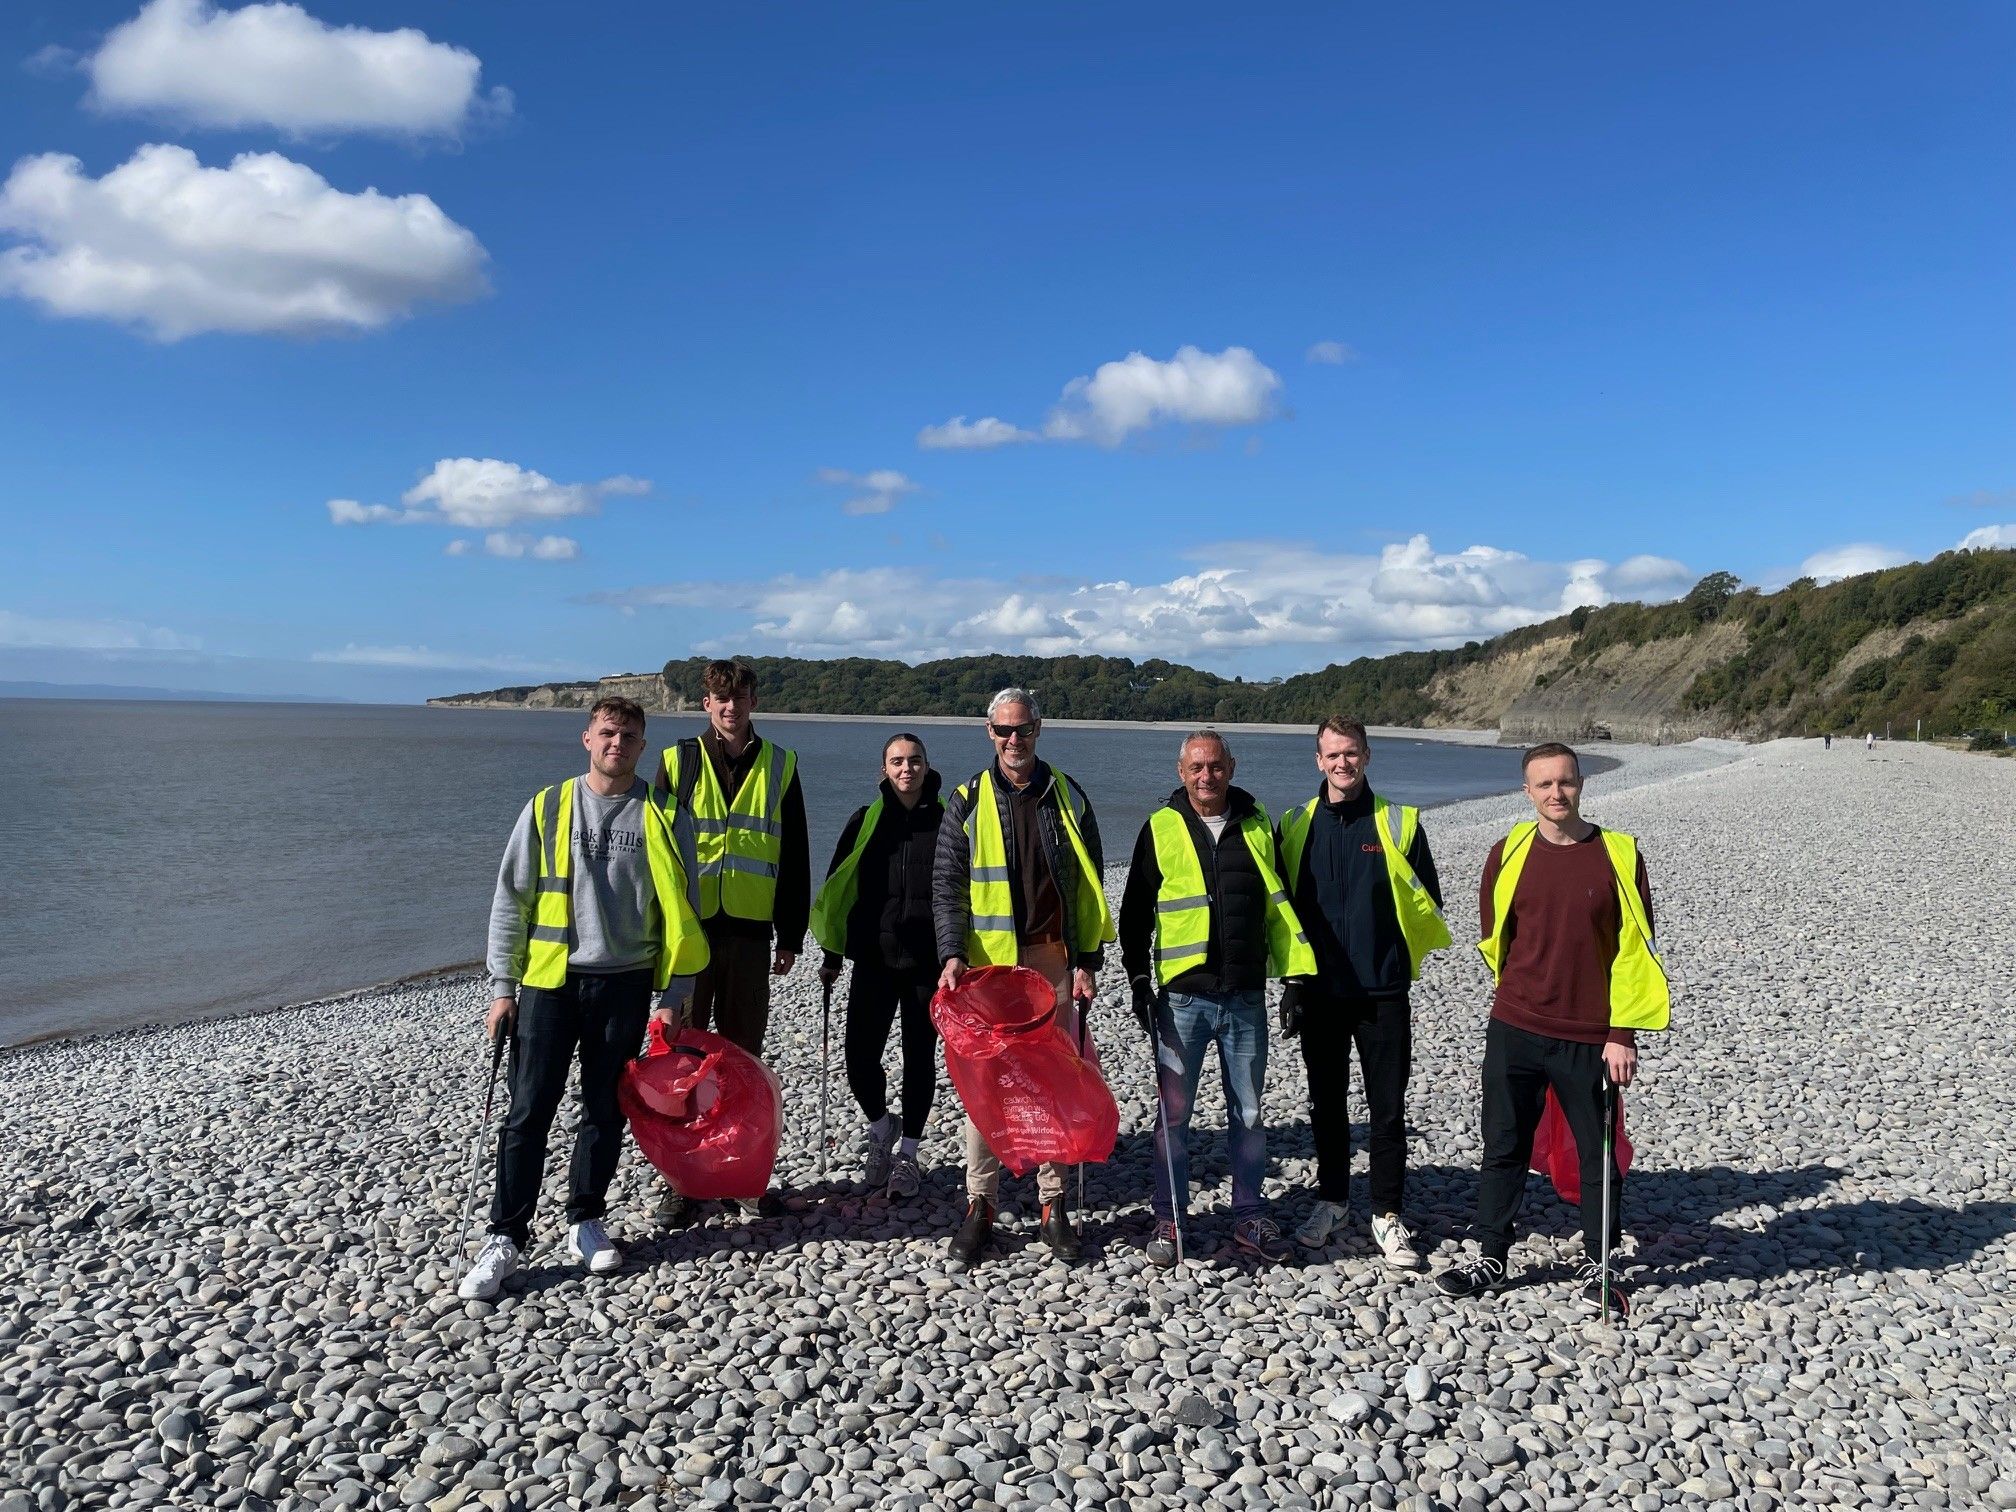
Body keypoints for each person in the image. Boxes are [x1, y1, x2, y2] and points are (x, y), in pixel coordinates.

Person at [460, 697, 710, 1300]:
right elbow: (510, 900)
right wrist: (502, 987)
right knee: (528, 1112)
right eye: (606, 733)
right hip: (550, 982)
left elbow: (685, 913)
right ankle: (506, 1236)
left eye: (628, 735)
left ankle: (586, 1220)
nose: (616, 743)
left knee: (604, 1111)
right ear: (586, 739)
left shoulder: (663, 814)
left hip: (625, 982)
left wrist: (674, 996)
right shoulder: (547, 808)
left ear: (642, 746)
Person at [1434, 742, 1669, 1314]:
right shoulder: (1508, 851)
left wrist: (1623, 1032)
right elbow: (1497, 931)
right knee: (1503, 1145)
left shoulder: (1617, 854)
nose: (1555, 794)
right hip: (1515, 1024)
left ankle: (1601, 1260)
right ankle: (1491, 1253)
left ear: (1581, 784)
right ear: (1527, 791)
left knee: (1597, 1151)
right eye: (1544, 785)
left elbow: (1635, 948)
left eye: (1564, 782)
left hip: (1590, 1034)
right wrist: (1518, 992)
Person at [932, 687, 1114, 1269]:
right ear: (989, 732)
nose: (1015, 740)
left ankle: (1052, 1204)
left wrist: (1088, 960)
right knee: (985, 1084)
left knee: (1053, 1079)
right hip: (988, 969)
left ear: (1040, 729)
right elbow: (948, 886)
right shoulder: (967, 799)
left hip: (1053, 957)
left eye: (1025, 730)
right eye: (1005, 731)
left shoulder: (1068, 795)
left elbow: (1088, 882)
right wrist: (952, 952)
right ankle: (980, 1204)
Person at [1118, 730, 1315, 1265]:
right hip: (1182, 1001)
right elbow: (1134, 913)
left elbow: (1279, 905)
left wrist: (1294, 981)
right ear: (1181, 771)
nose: (1207, 777)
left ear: (1232, 765)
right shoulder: (1159, 827)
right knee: (1173, 1117)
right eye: (1196, 767)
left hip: (1245, 997)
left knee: (1249, 1114)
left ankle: (1249, 1215)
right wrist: (1138, 982)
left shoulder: (1256, 824)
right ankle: (1170, 1217)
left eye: (1216, 766)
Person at [1275, 717, 1451, 1269]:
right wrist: (1292, 982)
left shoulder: (1399, 822)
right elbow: (1285, 913)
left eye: (1351, 754)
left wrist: (1398, 960)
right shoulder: (1295, 823)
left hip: (1382, 991)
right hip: (1321, 993)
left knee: (1387, 1108)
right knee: (1326, 1105)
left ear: (1367, 756)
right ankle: (1332, 1201)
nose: (1341, 764)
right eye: (1332, 755)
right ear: (1317, 760)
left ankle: (1386, 1212)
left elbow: (1427, 899)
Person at [653, 658, 810, 1226]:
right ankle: (685, 1182)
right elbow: (657, 854)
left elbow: (795, 856)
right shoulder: (677, 761)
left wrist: (790, 935)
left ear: (751, 703)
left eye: (740, 699)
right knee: (686, 1059)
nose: (730, 708)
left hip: (749, 931)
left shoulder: (781, 764)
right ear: (706, 704)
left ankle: (743, 1175)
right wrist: (659, 933)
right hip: (691, 932)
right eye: (721, 699)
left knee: (742, 1057)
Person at [811, 733, 946, 1198]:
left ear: (927, 767)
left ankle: (908, 1153)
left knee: (918, 1059)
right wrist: (831, 954)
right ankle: (882, 1126)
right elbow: (837, 887)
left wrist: (960, 956)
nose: (906, 769)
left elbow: (966, 891)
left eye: (914, 761)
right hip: (874, 957)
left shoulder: (950, 821)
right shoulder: (865, 820)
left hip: (928, 962)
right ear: (884, 769)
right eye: (897, 761)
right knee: (859, 1059)